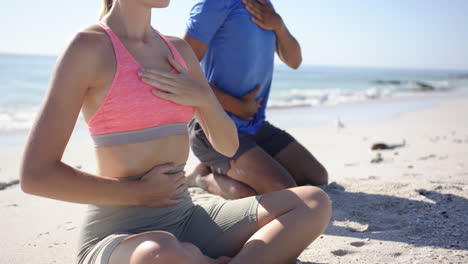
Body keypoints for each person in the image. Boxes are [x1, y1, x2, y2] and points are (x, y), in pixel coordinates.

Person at [20, 0, 331, 264]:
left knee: (313, 202)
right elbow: (36, 175)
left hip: (186, 218)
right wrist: (139, 193)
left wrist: (204, 98)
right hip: (119, 234)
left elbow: (226, 145)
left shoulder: (177, 49)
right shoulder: (88, 47)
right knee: (158, 254)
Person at [184, 0, 329, 200]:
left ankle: (219, 165)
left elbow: (295, 61)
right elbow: (181, 70)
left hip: (254, 126)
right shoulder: (214, 4)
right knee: (280, 192)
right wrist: (236, 105)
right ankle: (203, 178)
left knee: (317, 177)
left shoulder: (263, 4)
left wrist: (279, 25)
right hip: (213, 128)